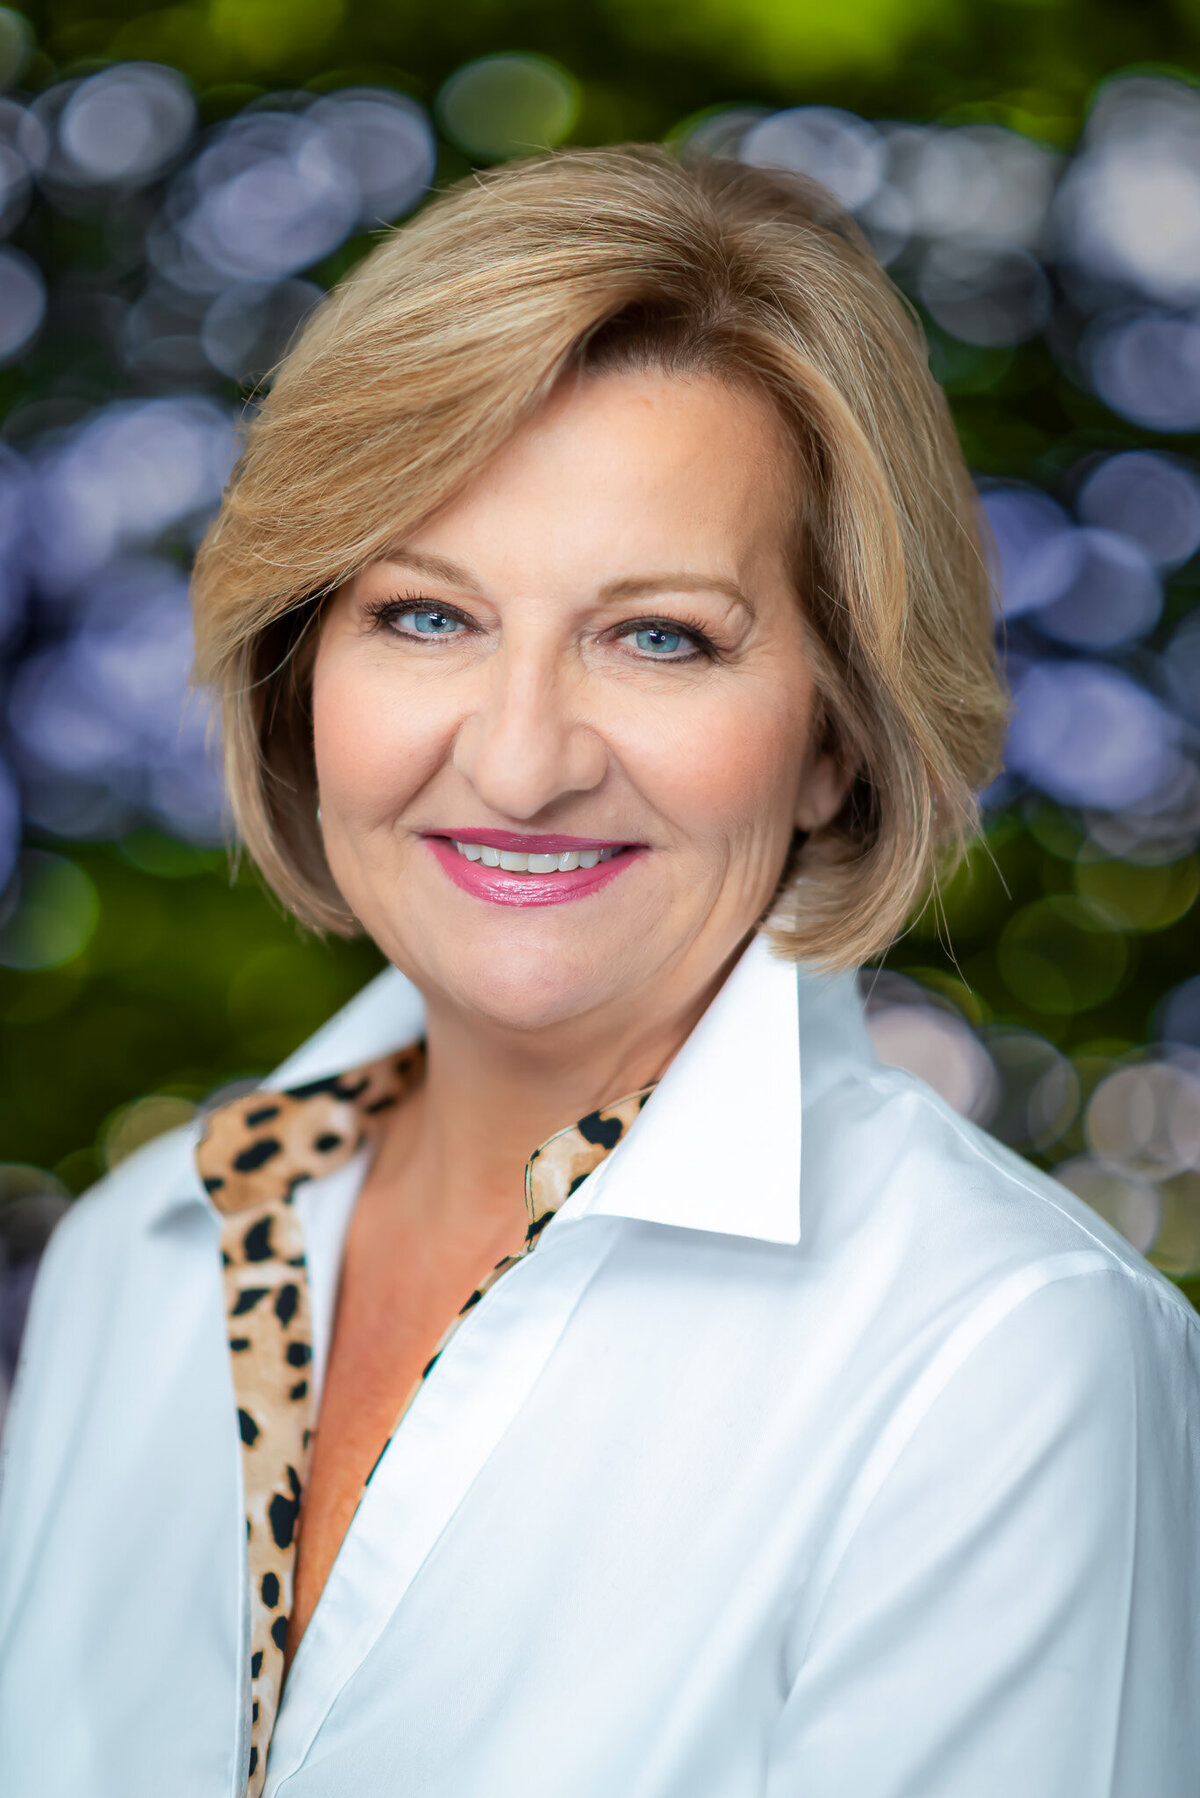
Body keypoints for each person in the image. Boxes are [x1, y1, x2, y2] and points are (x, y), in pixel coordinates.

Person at [0, 145, 1196, 1798]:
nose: (519, 760)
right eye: (425, 615)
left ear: (839, 737)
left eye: (660, 636)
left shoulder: (1007, 1353)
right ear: (299, 670)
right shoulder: (139, 1258)